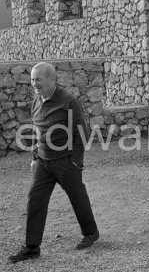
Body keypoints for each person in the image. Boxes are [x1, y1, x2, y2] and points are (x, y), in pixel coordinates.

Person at [9, 62, 99, 263]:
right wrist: (34, 156)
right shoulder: (37, 101)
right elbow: (36, 130)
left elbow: (81, 132)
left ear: (51, 80)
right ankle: (32, 246)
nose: (34, 84)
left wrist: (76, 161)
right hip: (43, 161)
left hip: (65, 161)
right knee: (35, 198)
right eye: (32, 80)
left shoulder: (68, 101)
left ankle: (91, 233)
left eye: (38, 79)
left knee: (78, 197)